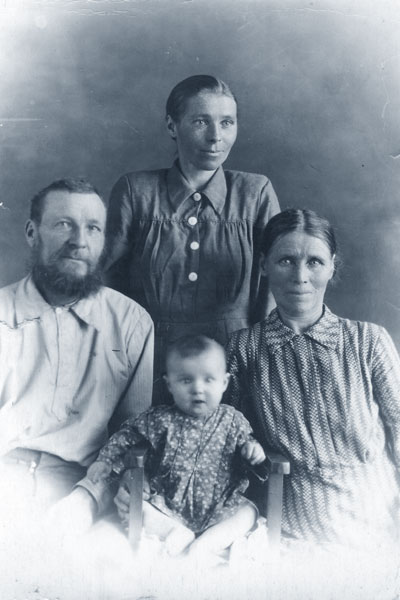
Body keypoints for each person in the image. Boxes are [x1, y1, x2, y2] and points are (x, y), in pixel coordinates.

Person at [225, 208, 400, 547]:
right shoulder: (244, 349)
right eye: (286, 261)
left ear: (332, 266)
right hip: (292, 529)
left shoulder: (369, 342)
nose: (300, 276)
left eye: (315, 262)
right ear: (264, 265)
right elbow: (223, 434)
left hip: (379, 522)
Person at [106, 74, 280, 402]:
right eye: (201, 122)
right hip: (149, 361)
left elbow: (273, 289)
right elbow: (108, 287)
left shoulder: (255, 193)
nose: (216, 136)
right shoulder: (136, 191)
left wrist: (258, 362)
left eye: (227, 122)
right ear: (172, 126)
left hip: (233, 366)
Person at [0, 178, 154, 524]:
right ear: (32, 233)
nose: (79, 241)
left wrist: (88, 500)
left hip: (82, 491)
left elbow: (133, 438)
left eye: (93, 228)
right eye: (63, 224)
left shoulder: (132, 323)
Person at [87, 335, 266, 557]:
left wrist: (254, 452)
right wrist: (105, 460)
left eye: (208, 380)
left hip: (221, 505)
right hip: (168, 505)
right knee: (134, 505)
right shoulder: (159, 419)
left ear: (224, 383)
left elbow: (249, 445)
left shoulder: (233, 420)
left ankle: (207, 543)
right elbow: (126, 435)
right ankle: (175, 532)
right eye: (186, 380)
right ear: (169, 384)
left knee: (248, 512)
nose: (198, 389)